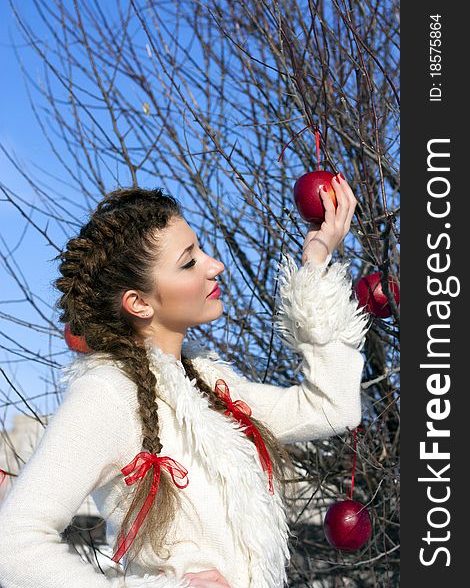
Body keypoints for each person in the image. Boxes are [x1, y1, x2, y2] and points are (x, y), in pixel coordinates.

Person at [0, 175, 369, 588]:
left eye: (202, 250)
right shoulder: (107, 393)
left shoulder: (211, 386)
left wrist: (316, 262)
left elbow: (332, 406)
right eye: (189, 261)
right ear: (138, 303)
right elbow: (14, 543)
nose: (215, 266)